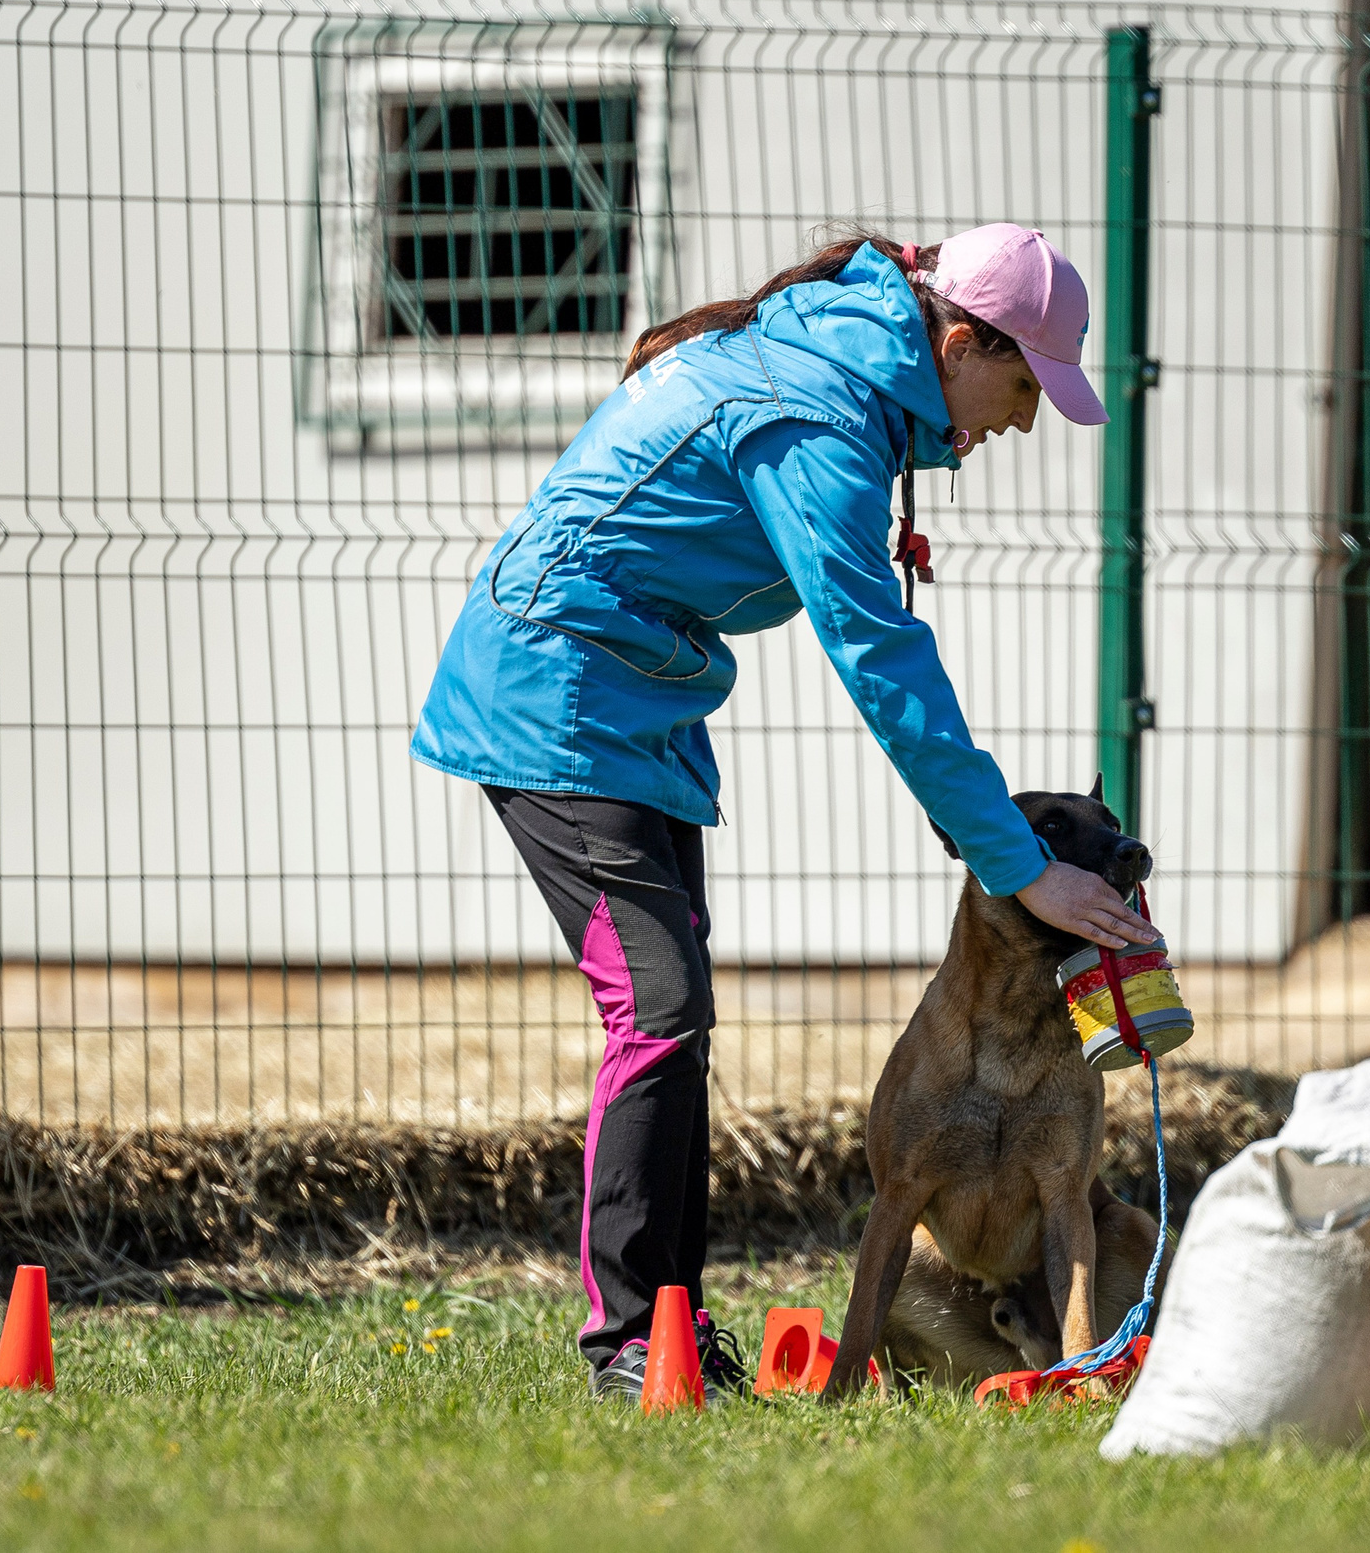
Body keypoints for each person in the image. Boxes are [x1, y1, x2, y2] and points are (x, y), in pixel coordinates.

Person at [411, 224, 1162, 1401]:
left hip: (639, 703)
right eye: (1023, 387)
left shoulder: (844, 379)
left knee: (673, 1017)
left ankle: (673, 1330)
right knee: (657, 1012)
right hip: (554, 693)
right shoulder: (818, 414)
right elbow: (878, 656)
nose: (1022, 421)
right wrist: (1018, 864)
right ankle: (629, 1345)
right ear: (959, 345)